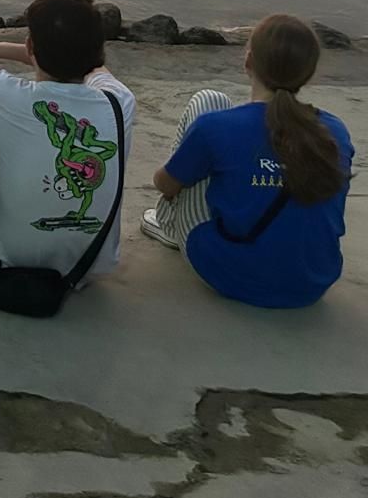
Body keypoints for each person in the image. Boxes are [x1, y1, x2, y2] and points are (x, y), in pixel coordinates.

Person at [147, 15, 354, 308]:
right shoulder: (335, 133)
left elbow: (164, 183)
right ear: (308, 72)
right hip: (311, 281)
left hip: (233, 274)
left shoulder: (218, 126)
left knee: (208, 101)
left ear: (248, 62)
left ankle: (168, 226)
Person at [0, 0, 135, 289]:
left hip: (11, 259)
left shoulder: (6, 94)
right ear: (99, 50)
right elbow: (94, 68)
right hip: (90, 265)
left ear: (31, 46)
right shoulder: (119, 100)